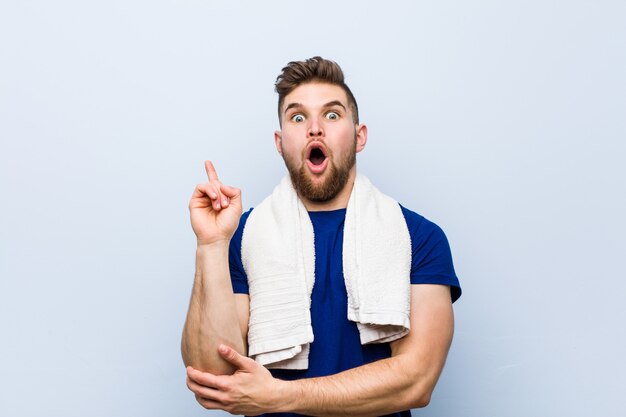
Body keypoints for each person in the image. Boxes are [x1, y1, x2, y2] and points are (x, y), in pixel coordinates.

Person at [181, 56, 462, 417]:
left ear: (359, 137)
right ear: (280, 142)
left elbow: (417, 380)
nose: (315, 128)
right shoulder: (243, 237)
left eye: (331, 115)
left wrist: (281, 396)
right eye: (298, 117)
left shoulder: (420, 238)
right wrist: (211, 245)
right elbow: (212, 375)